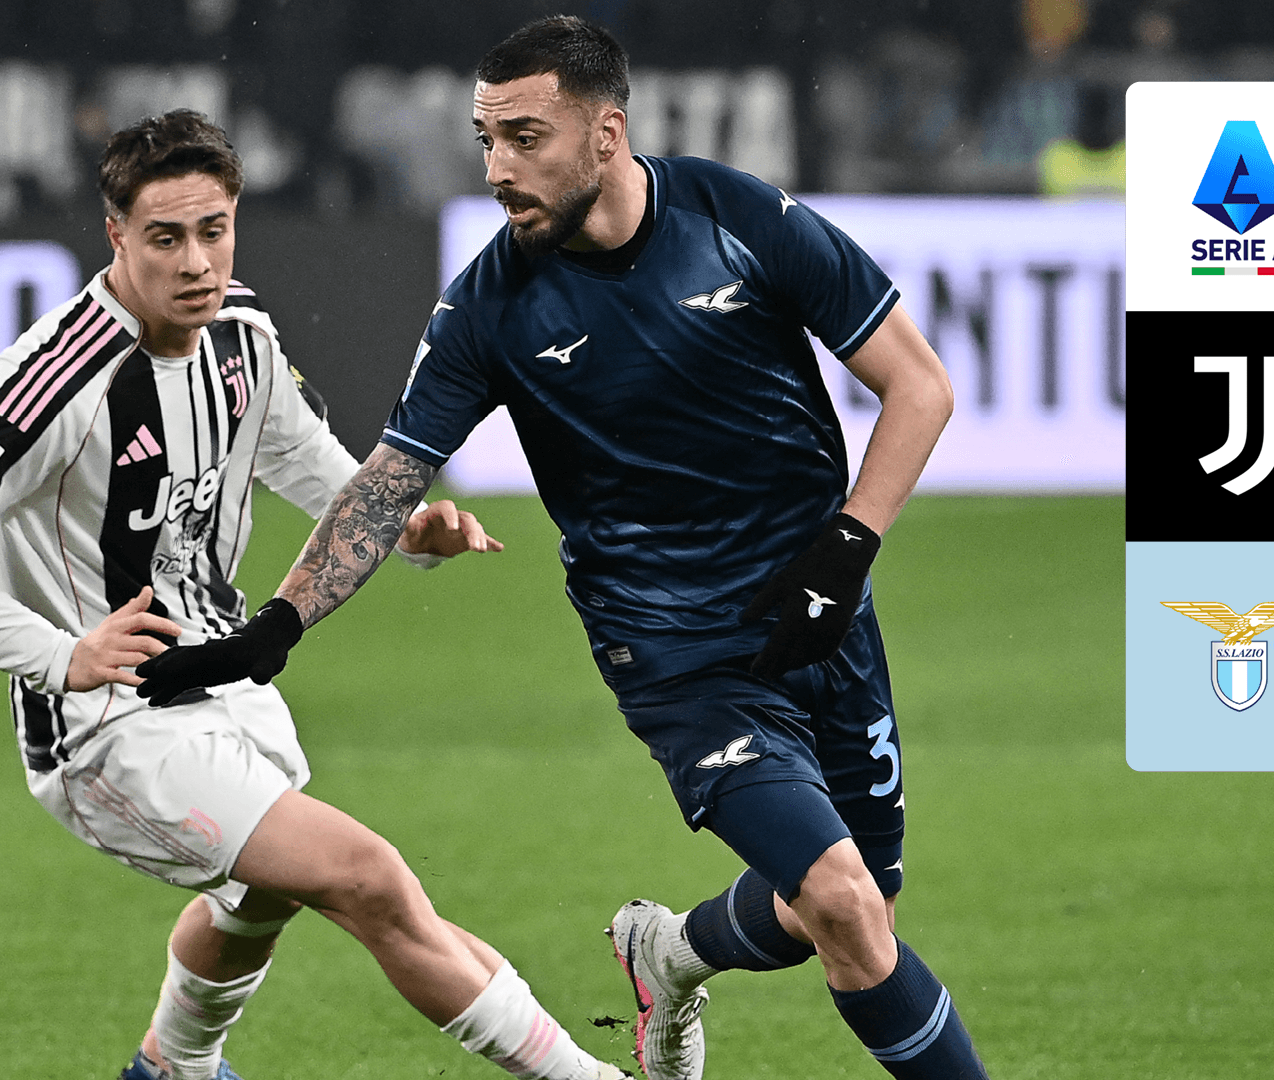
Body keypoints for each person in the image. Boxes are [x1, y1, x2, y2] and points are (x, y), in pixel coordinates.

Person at [137, 17, 990, 1080]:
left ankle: (670, 953)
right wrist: (276, 626)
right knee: (846, 908)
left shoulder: (740, 218)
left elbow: (919, 384)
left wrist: (847, 550)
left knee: (855, 905)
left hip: (819, 613)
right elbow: (388, 483)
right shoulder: (487, 306)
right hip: (674, 652)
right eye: (486, 139)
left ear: (606, 134)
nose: (497, 168)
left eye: (525, 138)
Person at [0, 109, 631, 1080]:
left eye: (214, 230)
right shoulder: (55, 380)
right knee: (368, 878)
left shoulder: (240, 333)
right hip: (110, 727)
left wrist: (403, 529)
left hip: (225, 678)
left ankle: (172, 1067)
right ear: (115, 235)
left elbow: (301, 457)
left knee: (262, 895)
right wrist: (60, 655)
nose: (196, 262)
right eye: (165, 238)